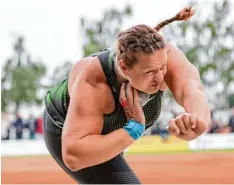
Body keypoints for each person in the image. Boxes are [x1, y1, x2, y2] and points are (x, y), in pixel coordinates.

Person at [43, 7, 210, 184]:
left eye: (162, 68)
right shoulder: (93, 82)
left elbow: (192, 89)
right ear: (124, 68)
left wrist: (196, 120)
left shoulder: (165, 58)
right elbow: (73, 156)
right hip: (65, 130)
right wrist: (135, 128)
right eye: (150, 72)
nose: (160, 77)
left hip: (113, 130)